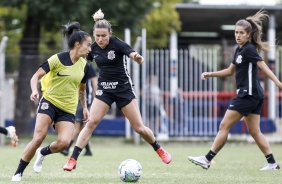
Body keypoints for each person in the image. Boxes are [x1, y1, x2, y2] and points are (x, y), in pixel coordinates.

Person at [63, 9, 171, 171]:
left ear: (110, 34)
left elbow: (131, 52)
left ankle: (158, 148)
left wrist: (137, 57)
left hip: (123, 90)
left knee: (139, 128)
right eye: (97, 36)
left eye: (103, 36)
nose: (100, 39)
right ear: (93, 35)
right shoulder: (92, 49)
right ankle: (72, 159)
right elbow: (81, 62)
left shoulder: (117, 43)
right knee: (91, 122)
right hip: (104, 91)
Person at [188, 10, 281, 171]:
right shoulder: (239, 50)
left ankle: (207, 159)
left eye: (241, 33)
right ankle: (272, 163)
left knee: (224, 125)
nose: (238, 35)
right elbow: (230, 71)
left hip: (248, 94)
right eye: (236, 32)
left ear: (248, 34)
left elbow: (263, 66)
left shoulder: (249, 49)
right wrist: (210, 74)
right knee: (254, 131)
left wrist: (278, 83)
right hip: (253, 95)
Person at [11, 21, 93, 182]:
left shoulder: (85, 66)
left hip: (68, 108)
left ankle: (42, 153)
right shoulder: (57, 59)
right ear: (77, 44)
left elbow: (82, 89)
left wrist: (84, 107)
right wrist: (35, 90)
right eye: (88, 45)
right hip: (49, 102)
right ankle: (18, 172)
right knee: (39, 137)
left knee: (64, 143)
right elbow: (35, 76)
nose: (90, 49)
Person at [61, 63, 97, 156]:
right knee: (82, 126)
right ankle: (88, 150)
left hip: (84, 100)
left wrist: (96, 98)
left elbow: (94, 81)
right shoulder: (72, 64)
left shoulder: (88, 65)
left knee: (78, 125)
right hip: (74, 99)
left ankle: (67, 148)